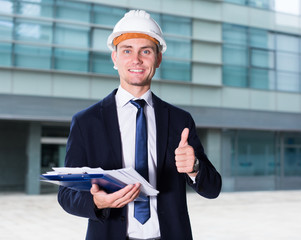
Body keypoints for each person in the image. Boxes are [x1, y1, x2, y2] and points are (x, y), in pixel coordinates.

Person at [58, 9, 222, 240]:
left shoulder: (179, 120)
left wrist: (194, 166)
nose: (136, 59)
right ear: (114, 58)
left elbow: (213, 188)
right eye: (127, 51)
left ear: (158, 58)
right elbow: (66, 194)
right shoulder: (86, 122)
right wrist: (96, 201)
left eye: (145, 51)